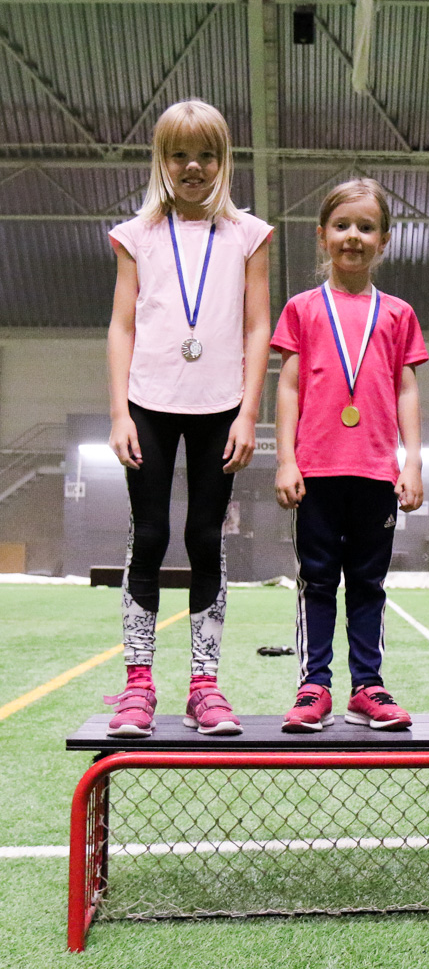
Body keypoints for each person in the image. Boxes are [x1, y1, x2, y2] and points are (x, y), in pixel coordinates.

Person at [104, 99, 272, 737]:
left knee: (205, 538)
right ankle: (137, 686)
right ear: (162, 160)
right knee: (148, 537)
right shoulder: (137, 234)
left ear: (224, 161)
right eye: (179, 155)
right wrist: (119, 412)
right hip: (147, 402)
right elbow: (122, 326)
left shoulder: (248, 234)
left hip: (220, 408)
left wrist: (248, 412)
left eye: (206, 155)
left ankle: (205, 686)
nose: (193, 167)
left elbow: (257, 327)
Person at [272, 178, 428, 733]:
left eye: (366, 227)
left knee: (368, 583)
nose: (353, 237)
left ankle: (367, 687)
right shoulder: (302, 308)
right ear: (322, 236)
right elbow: (288, 386)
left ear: (384, 239)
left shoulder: (398, 313)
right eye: (342, 226)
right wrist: (286, 459)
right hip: (315, 470)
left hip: (375, 472)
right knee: (316, 581)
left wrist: (412, 461)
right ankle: (314, 685)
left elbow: (406, 389)